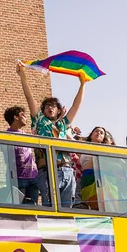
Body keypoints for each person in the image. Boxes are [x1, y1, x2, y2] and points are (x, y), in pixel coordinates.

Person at [17, 62, 86, 207]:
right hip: (47, 170)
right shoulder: (39, 121)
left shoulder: (63, 124)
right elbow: (30, 99)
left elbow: (76, 106)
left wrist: (82, 85)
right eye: (47, 106)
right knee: (50, 207)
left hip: (67, 170)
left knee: (67, 209)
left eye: (54, 106)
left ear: (59, 111)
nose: (50, 108)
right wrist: (22, 75)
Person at [3, 106, 40, 205]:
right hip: (18, 178)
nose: (26, 118)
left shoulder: (27, 135)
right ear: (15, 117)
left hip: (33, 176)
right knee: (19, 210)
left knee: (33, 209)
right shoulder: (6, 136)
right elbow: (7, 158)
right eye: (23, 115)